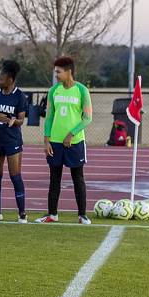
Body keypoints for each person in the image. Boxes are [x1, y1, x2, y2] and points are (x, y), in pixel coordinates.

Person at [36, 57, 93, 225]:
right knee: (55, 179)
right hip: (55, 142)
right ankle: (52, 214)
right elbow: (49, 117)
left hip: (75, 142)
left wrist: (72, 134)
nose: (56, 75)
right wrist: (46, 140)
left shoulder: (82, 90)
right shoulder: (54, 91)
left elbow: (88, 118)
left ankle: (82, 215)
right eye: (55, 72)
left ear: (69, 72)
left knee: (78, 178)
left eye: (58, 72)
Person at [0, 60, 29, 223]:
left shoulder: (20, 96)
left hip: (13, 140)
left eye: (0, 78)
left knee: (15, 176)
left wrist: (13, 122)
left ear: (10, 79)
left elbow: (21, 119)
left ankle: (22, 213)